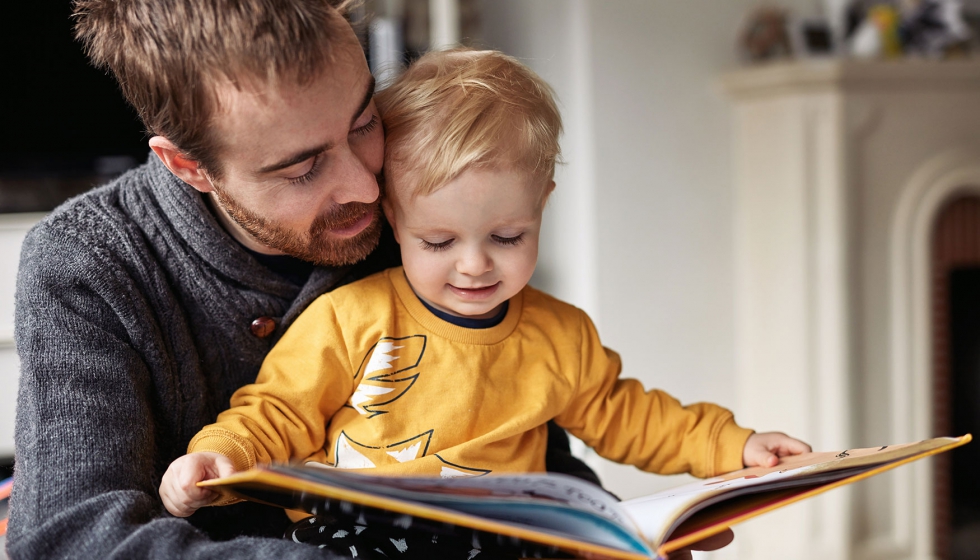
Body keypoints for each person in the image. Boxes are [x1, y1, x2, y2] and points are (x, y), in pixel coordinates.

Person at [158, 48, 812, 559]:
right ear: (392, 214)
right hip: (365, 535)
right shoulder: (351, 318)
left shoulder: (560, 336)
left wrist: (738, 446)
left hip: (504, 538)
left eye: (508, 237)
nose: (475, 265)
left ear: (543, 204)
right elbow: (277, 414)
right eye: (438, 241)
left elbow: (629, 415)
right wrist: (222, 456)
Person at [7, 2, 595, 558]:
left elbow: (532, 437)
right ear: (190, 167)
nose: (368, 187)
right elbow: (71, 538)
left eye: (365, 121)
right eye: (303, 168)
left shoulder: (426, 217)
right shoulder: (87, 263)